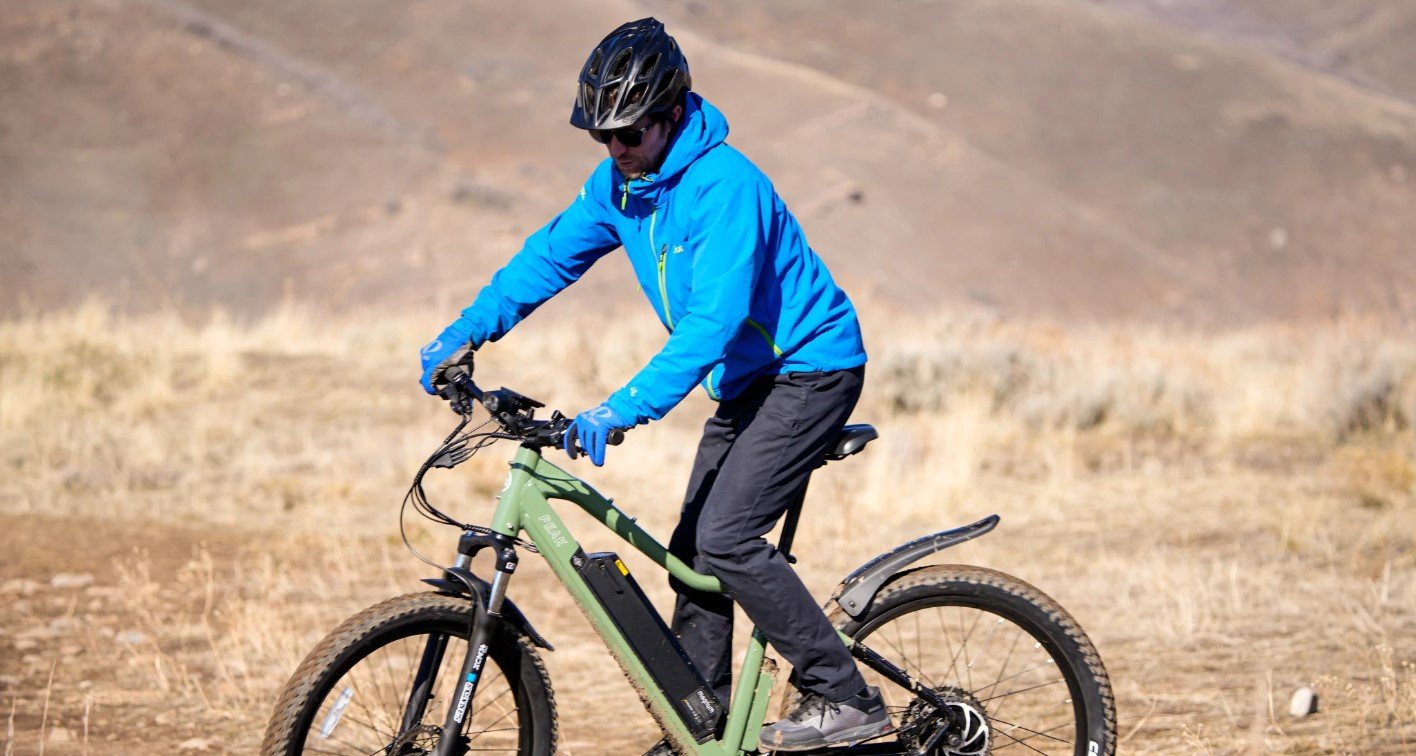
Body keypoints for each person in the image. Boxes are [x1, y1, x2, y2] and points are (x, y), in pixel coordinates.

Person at [418, 17, 890, 753]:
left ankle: (845, 697)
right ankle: (701, 727)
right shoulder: (621, 186)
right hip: (748, 380)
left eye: (629, 134)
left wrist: (623, 408)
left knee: (729, 538)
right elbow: (548, 259)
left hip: (812, 369)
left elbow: (713, 320)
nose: (615, 151)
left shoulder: (727, 186)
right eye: (602, 137)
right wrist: (468, 330)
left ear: (672, 116)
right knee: (693, 554)